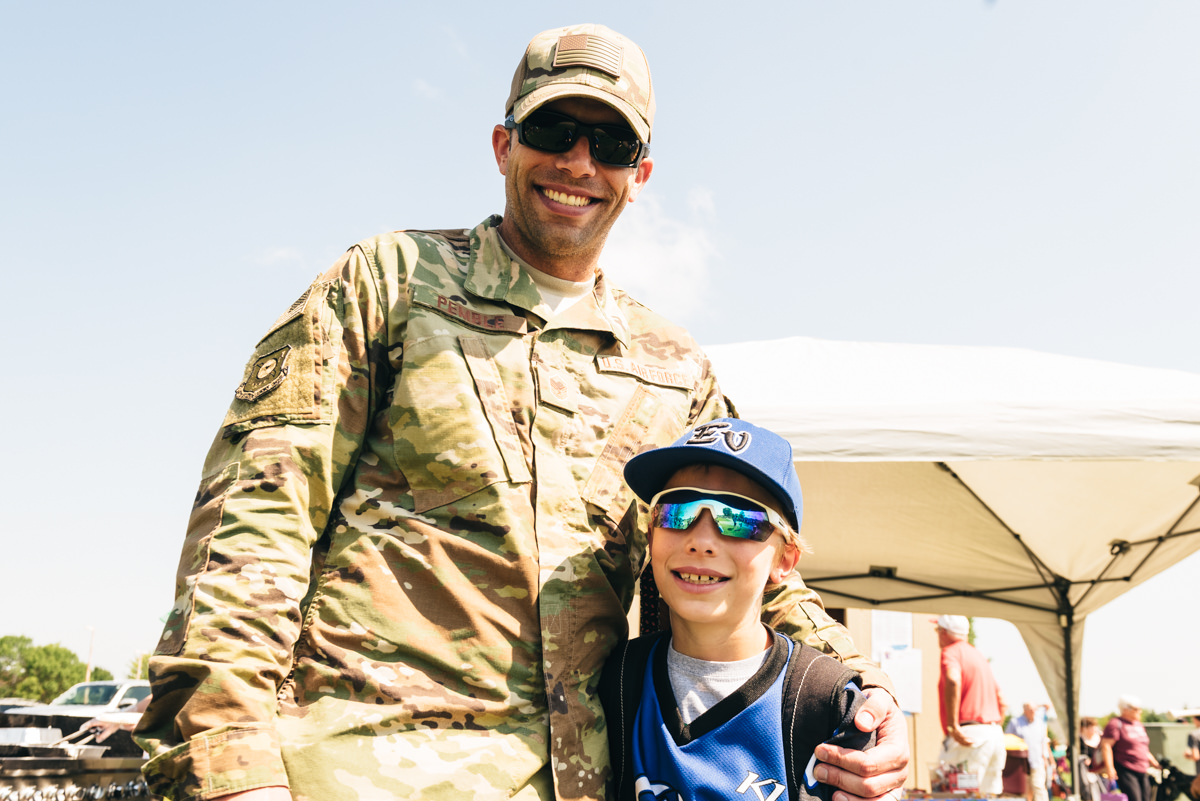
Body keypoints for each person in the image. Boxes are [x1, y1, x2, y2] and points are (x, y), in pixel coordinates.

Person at [132, 23, 910, 801]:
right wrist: (234, 771)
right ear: (504, 144)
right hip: (363, 773)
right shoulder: (389, 285)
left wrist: (865, 692)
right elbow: (253, 534)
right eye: (553, 130)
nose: (578, 162)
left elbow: (749, 561)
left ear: (639, 175)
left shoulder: (674, 369)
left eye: (609, 143)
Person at [599, 418, 872, 800]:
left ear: (785, 561)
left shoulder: (825, 701)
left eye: (740, 519)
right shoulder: (614, 680)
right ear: (650, 535)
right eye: (675, 511)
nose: (701, 540)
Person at [934, 614, 1007, 795]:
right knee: (988, 796)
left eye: (937, 630)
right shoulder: (978, 655)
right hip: (994, 734)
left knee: (951, 794)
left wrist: (953, 726)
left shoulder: (951, 651)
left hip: (970, 734)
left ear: (943, 632)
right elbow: (1002, 701)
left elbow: (953, 679)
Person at [1099, 695, 1160, 801]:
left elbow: (1143, 747)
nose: (1140, 712)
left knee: (1146, 798)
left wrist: (1154, 762)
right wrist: (1110, 768)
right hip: (1126, 768)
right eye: (1136, 709)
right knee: (1134, 798)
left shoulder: (1138, 725)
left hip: (1142, 768)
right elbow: (1106, 746)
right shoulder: (1115, 723)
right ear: (1125, 709)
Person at [1006, 702, 1052, 801]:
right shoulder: (1015, 722)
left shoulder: (1040, 723)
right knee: (1023, 789)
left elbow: (1043, 742)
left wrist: (1045, 758)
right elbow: (1007, 740)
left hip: (1037, 760)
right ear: (1024, 710)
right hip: (1019, 763)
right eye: (1030, 709)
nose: (1033, 712)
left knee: (1039, 786)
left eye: (1034, 709)